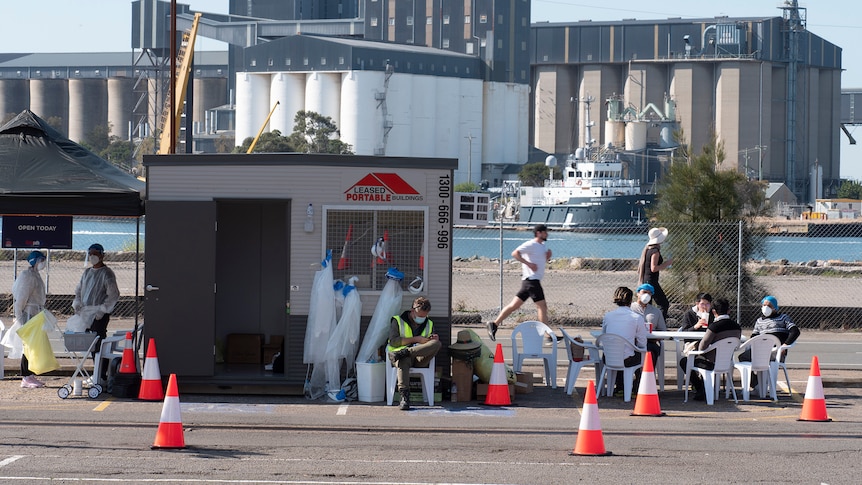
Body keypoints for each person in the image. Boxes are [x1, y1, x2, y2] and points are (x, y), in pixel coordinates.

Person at [487, 224, 552, 341]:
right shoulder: (531, 244)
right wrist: (528, 264)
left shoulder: (542, 246)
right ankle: (548, 335)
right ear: (538, 233)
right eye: (545, 232)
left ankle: (494, 324)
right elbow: (515, 253)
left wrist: (547, 257)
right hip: (532, 281)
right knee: (542, 307)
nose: (547, 234)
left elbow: (539, 261)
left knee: (514, 306)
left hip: (529, 282)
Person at [72, 243, 120, 381]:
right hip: (86, 314)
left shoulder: (107, 273)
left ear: (102, 255)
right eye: (90, 254)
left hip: (99, 315)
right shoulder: (87, 272)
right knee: (91, 344)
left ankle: (101, 374)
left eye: (95, 254)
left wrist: (102, 310)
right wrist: (77, 304)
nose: (92, 257)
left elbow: (113, 294)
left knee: (99, 343)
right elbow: (79, 290)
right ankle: (97, 373)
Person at [678, 298, 741, 400]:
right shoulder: (737, 327)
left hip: (710, 363)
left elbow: (703, 347)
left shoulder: (714, 327)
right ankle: (704, 389)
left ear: (714, 311)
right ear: (729, 311)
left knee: (684, 361)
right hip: (726, 362)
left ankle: (700, 388)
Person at [386, 296, 441, 410]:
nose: (422, 318)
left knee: (437, 344)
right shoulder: (397, 320)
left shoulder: (429, 323)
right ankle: (404, 398)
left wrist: (432, 339)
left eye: (424, 316)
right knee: (404, 359)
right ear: (412, 311)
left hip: (419, 357)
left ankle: (406, 352)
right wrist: (416, 339)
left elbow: (431, 344)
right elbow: (394, 341)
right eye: (420, 316)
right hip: (399, 357)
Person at [738, 295, 801, 390]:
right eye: (764, 305)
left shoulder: (783, 318)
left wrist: (785, 345)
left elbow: (795, 331)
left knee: (749, 357)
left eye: (769, 305)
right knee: (743, 357)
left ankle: (760, 386)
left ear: (775, 307)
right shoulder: (759, 321)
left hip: (775, 352)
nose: (766, 307)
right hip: (760, 352)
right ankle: (756, 384)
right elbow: (754, 337)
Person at [10, 251, 48, 388]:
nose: (44, 263)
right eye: (42, 260)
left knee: (33, 346)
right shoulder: (28, 277)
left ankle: (30, 375)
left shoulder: (35, 275)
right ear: (35, 261)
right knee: (28, 347)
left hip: (35, 315)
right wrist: (20, 320)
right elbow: (20, 301)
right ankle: (25, 376)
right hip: (28, 316)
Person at [601, 286, 647, 397]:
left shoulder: (608, 316)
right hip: (627, 360)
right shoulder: (636, 317)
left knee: (626, 352)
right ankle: (637, 388)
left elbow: (604, 335)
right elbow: (642, 343)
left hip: (608, 358)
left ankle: (619, 388)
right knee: (641, 353)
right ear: (631, 300)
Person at [637, 227, 672, 320]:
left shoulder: (648, 249)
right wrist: (666, 264)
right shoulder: (655, 251)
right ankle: (659, 323)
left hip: (647, 280)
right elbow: (654, 268)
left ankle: (647, 324)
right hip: (651, 282)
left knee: (647, 304)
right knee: (663, 304)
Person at [629, 283, 666, 368]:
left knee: (651, 351)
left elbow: (663, 330)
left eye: (649, 293)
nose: (646, 295)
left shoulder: (656, 311)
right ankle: (636, 378)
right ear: (638, 293)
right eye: (644, 292)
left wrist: (655, 336)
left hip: (650, 342)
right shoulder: (630, 308)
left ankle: (647, 377)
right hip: (632, 342)